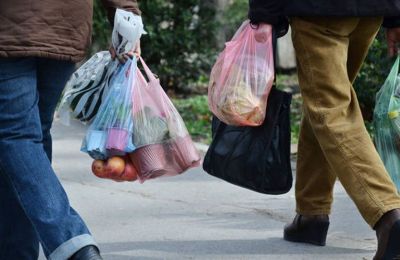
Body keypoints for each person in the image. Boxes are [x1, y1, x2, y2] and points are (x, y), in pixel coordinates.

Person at [248, 1, 400, 259]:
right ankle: (311, 213)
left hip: (319, 11)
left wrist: (264, 14)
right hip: (370, 10)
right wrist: (395, 14)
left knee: (330, 111)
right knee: (323, 101)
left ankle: (388, 214)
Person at [0, 0, 140, 259]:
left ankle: (72, 242)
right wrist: (127, 13)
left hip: (9, 27)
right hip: (66, 24)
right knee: (29, 141)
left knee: (16, 136)